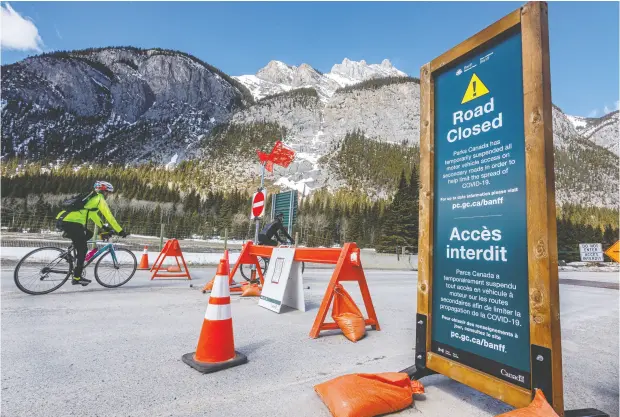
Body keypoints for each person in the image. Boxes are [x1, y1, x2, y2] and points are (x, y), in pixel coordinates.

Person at [56, 181, 127, 286]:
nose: (108, 195)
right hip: (72, 223)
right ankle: (77, 277)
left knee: (88, 234)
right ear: (104, 191)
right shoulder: (99, 199)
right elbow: (109, 216)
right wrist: (120, 230)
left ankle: (68, 254)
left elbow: (93, 215)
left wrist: (103, 227)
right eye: (108, 193)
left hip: (63, 219)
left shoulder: (90, 197)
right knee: (83, 249)